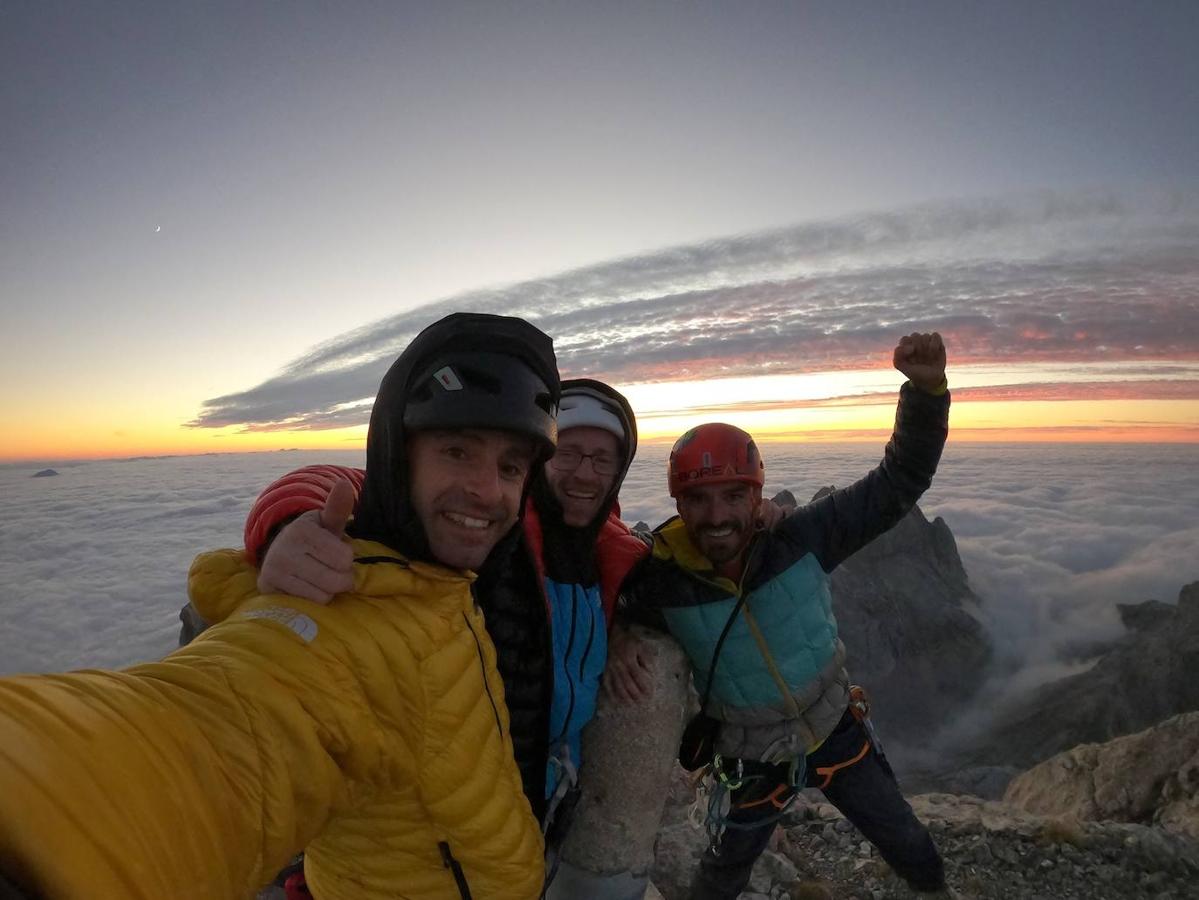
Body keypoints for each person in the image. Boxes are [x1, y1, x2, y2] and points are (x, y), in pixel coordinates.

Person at [0, 312, 560, 900]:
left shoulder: (455, 582)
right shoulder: (337, 613)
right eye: (457, 451)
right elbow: (217, 727)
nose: (488, 489)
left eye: (510, 467)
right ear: (399, 460)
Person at [192, 378, 654, 849]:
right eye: (569, 453)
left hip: (550, 797)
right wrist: (293, 522)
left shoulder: (614, 553)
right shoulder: (494, 532)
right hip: (462, 809)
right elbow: (357, 485)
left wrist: (627, 629)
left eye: (603, 459)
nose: (585, 474)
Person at [609, 332, 953, 899]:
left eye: (733, 495)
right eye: (698, 499)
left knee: (905, 840)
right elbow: (607, 595)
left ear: (756, 494)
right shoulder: (660, 579)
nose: (716, 516)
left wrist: (926, 391)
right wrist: (623, 631)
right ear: (678, 504)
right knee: (720, 877)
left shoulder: (802, 537)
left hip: (832, 725)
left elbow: (900, 481)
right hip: (749, 753)